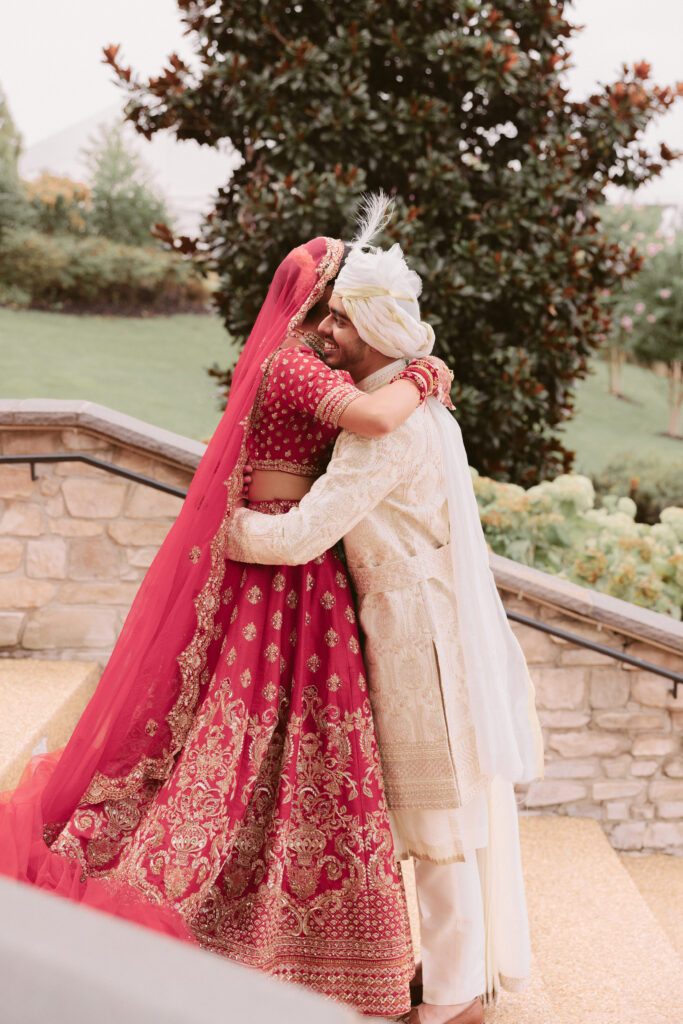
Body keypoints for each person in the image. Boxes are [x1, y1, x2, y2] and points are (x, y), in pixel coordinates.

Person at [0, 234, 451, 1016]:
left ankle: (325, 945)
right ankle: (239, 931)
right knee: (244, 735)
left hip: (306, 561)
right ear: (316, 299)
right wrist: (423, 369)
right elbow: (377, 419)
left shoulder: (308, 360)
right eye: (336, 299)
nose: (338, 319)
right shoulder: (294, 363)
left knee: (303, 739)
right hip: (279, 557)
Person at [226, 207, 545, 1024]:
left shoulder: (384, 435)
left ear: (371, 331)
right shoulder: (419, 409)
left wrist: (216, 529)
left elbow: (299, 536)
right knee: (449, 818)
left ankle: (449, 997)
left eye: (338, 318)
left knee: (438, 823)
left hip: (418, 647)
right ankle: (455, 976)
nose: (324, 329)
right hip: (426, 632)